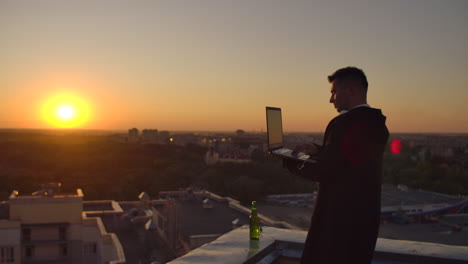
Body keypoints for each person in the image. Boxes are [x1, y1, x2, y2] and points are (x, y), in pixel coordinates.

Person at [283, 67, 389, 264]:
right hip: (364, 219)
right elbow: (351, 162)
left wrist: (290, 161)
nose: (331, 100)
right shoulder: (376, 123)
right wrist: (319, 150)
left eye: (333, 92)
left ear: (350, 91)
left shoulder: (344, 124)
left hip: (336, 221)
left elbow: (328, 172)